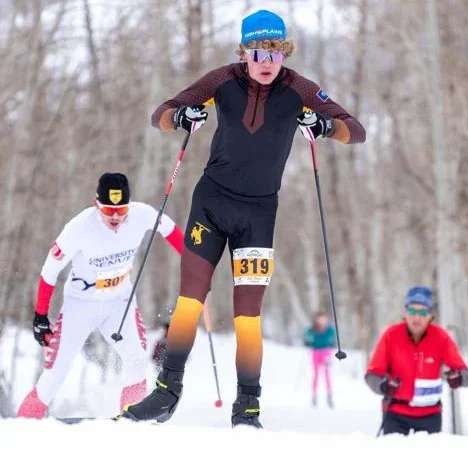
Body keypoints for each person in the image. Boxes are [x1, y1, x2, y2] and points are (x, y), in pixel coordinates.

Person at [121, 9, 366, 428]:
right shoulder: (223, 80)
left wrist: (323, 125)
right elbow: (161, 113)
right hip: (211, 206)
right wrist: (181, 116)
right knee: (189, 302)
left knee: (247, 316)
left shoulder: (300, 89)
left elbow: (355, 130)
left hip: (258, 215)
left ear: (284, 52)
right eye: (256, 51)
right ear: (244, 52)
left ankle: (248, 406)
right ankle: (166, 392)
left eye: (274, 51)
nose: (265, 61)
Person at [17, 173, 183, 418]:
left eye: (121, 210)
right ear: (97, 204)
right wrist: (40, 315)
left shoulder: (141, 215)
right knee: (54, 376)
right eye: (108, 210)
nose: (115, 216)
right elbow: (49, 271)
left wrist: (193, 262)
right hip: (80, 305)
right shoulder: (79, 227)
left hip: (119, 302)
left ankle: (131, 422)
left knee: (136, 360)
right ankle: (22, 428)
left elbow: (171, 231)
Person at [365, 286, 468, 435]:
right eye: (412, 311)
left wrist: (460, 379)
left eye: (422, 312)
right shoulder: (391, 335)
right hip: (396, 414)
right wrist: (383, 386)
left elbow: (466, 373)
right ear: (405, 312)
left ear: (430, 315)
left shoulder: (440, 337)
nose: (417, 317)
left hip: (430, 416)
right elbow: (372, 374)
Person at [304, 311, 336, 408]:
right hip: (315, 352)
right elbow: (307, 337)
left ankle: (329, 396)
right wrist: (308, 342)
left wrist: (332, 343)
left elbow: (333, 338)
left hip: (326, 352)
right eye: (319, 318)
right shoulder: (312, 329)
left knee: (327, 375)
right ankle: (314, 396)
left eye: (323, 318)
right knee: (316, 375)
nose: (322, 321)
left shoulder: (329, 329)